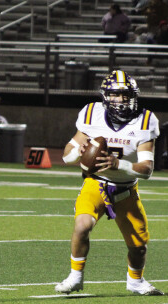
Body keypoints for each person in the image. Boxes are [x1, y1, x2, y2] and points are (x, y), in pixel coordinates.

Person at [55, 70, 163, 296]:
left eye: (125, 94)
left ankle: (135, 281)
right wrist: (78, 152)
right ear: (106, 96)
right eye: (115, 94)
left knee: (139, 247)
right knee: (82, 226)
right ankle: (75, 277)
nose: (121, 100)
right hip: (96, 183)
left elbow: (147, 169)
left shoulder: (145, 120)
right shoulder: (91, 113)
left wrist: (118, 164)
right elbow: (66, 155)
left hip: (126, 189)